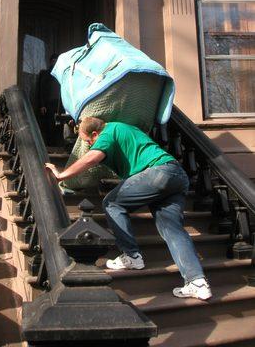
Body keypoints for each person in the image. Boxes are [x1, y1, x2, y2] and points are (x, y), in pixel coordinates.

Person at [45, 117, 212, 301]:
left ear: (95, 134)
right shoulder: (126, 128)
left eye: (88, 141)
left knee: (112, 203)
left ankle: (132, 256)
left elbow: (93, 158)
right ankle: (197, 282)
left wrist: (62, 176)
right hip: (176, 175)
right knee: (173, 231)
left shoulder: (108, 132)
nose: (89, 145)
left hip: (157, 173)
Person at [37, 53, 63, 147]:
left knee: (59, 125)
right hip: (49, 104)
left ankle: (59, 145)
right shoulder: (45, 73)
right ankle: (50, 145)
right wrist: (42, 105)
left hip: (60, 104)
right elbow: (41, 90)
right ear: (51, 62)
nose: (55, 62)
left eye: (57, 61)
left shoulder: (61, 73)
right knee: (49, 125)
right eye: (54, 61)